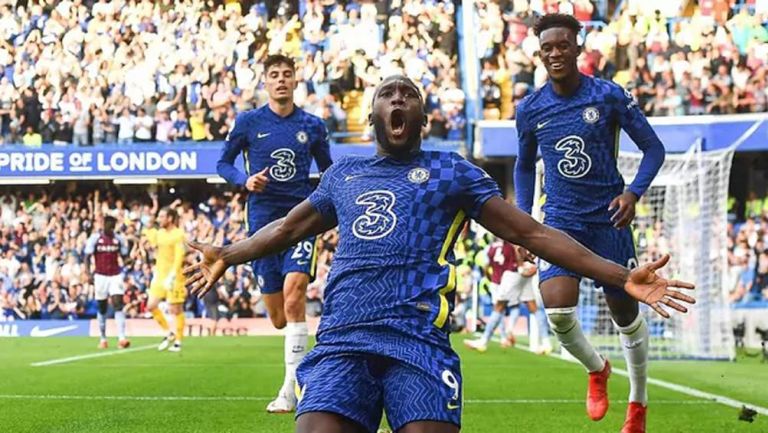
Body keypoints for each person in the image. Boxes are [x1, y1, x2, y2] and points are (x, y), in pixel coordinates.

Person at [185, 75, 694, 433]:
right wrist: (229, 253)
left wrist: (618, 274)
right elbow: (288, 226)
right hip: (342, 341)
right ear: (372, 116)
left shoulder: (452, 171)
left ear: (423, 118)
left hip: (419, 346)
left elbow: (533, 235)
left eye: (408, 95)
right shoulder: (343, 174)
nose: (398, 100)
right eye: (388, 94)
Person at [513, 14, 668, 433]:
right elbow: (524, 167)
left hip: (609, 220)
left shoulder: (609, 96)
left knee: (626, 314)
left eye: (563, 45)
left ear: (578, 48)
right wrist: (525, 219)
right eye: (547, 48)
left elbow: (654, 149)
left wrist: (632, 193)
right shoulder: (530, 109)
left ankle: (638, 404)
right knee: (559, 313)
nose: (555, 53)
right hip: (560, 222)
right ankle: (597, 369)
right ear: (540, 54)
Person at [216, 54, 332, 413]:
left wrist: (331, 212)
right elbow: (223, 163)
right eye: (274, 75)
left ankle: (290, 390)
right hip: (262, 226)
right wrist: (244, 180)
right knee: (279, 316)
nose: (281, 80)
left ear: (296, 81)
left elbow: (328, 171)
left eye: (287, 74)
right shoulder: (249, 122)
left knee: (295, 296)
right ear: (264, 82)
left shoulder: (312, 125)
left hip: (301, 221)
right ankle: (296, 369)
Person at [142, 207, 186, 353]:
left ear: (170, 218)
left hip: (174, 277)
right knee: (151, 305)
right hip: (160, 276)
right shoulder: (160, 233)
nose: (159, 219)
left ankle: (179, 341)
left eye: (162, 217)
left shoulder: (179, 234)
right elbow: (150, 239)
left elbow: (180, 255)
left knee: (175, 309)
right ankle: (169, 333)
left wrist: (173, 275)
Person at [85, 216, 129, 349]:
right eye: (109, 225)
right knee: (102, 307)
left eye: (112, 226)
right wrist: (88, 273)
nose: (111, 228)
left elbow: (124, 257)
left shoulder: (119, 239)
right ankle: (103, 338)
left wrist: (129, 261)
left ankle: (122, 337)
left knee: (118, 303)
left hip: (115, 274)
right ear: (103, 225)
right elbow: (87, 256)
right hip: (100, 276)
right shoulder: (95, 239)